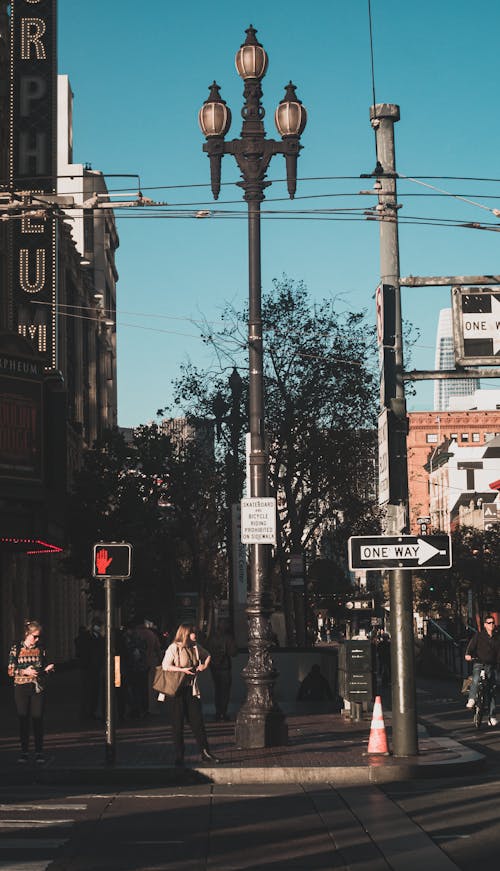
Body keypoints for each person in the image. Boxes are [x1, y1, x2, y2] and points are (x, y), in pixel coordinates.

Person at [161, 623, 220, 766]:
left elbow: (208, 655)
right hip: (176, 692)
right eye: (193, 633)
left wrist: (203, 666)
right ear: (185, 634)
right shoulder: (174, 648)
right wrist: (183, 670)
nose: (195, 635)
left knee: (198, 723)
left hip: (190, 690)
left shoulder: (195, 647)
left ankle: (205, 753)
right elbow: (165, 666)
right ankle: (179, 756)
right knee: (178, 724)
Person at [7, 620, 55, 764]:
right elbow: (10, 670)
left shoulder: (41, 649)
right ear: (27, 634)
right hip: (21, 688)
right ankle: (24, 752)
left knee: (38, 719)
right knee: (23, 720)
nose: (37, 639)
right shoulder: (16, 648)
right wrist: (24, 671)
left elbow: (45, 667)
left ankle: (39, 751)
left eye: (39, 636)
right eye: (35, 636)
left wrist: (47, 670)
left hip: (37, 687)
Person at [465, 614, 500, 725]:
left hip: (492, 666)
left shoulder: (497, 637)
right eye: (489, 623)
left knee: (492, 690)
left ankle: (492, 716)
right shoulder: (479, 636)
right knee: (476, 679)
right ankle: (471, 699)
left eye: (493, 622)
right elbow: (470, 648)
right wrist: (468, 655)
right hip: (479, 663)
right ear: (485, 625)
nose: (491, 625)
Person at [207, 622, 237, 721]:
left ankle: (218, 712)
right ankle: (223, 713)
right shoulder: (228, 638)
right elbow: (233, 652)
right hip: (224, 667)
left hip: (214, 667)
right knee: (224, 691)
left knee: (218, 690)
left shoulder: (211, 638)